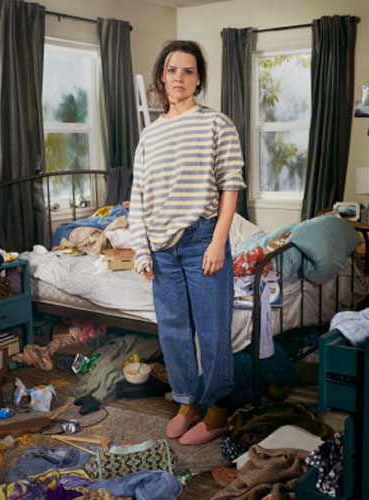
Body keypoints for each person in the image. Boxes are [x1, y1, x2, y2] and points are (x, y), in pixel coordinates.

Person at [129, 40, 246, 445]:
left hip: (201, 240)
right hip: (162, 249)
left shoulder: (217, 124)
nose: (179, 78)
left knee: (212, 331)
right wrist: (142, 251)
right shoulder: (150, 135)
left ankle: (217, 409)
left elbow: (231, 187)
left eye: (189, 71)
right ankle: (186, 403)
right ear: (162, 75)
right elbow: (138, 199)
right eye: (172, 70)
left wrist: (218, 242)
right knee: (174, 332)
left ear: (199, 79)